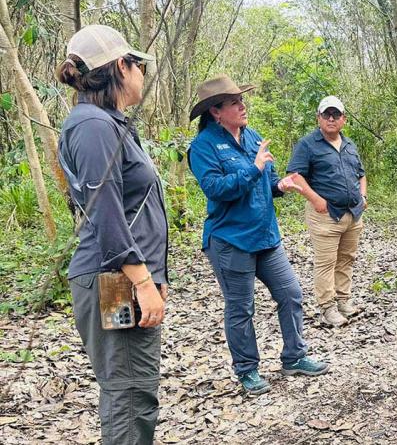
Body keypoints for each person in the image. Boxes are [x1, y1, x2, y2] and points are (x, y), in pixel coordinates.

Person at [57, 25, 168, 443]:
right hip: (112, 282)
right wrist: (141, 280)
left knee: (138, 392)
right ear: (121, 66)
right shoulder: (92, 126)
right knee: (127, 395)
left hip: (123, 279)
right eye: (137, 64)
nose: (142, 73)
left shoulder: (108, 123)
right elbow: (105, 215)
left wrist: (156, 278)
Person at [188, 75, 329, 395]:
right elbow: (216, 189)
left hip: (265, 235)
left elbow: (268, 182)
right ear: (216, 112)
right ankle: (247, 370)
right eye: (234, 102)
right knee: (241, 307)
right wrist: (252, 169)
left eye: (242, 100)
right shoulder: (203, 147)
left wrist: (281, 185)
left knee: (291, 293)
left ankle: (294, 356)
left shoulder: (253, 137)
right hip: (230, 240)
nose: (242, 105)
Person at [285, 96, 367, 327]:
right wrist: (315, 199)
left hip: (353, 212)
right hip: (325, 214)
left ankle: (344, 301)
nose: (331, 119)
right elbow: (295, 175)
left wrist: (363, 196)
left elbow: (361, 174)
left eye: (336, 115)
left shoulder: (349, 145)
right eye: (326, 115)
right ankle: (327, 307)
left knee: (346, 259)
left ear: (344, 119)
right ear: (319, 118)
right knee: (326, 262)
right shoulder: (308, 144)